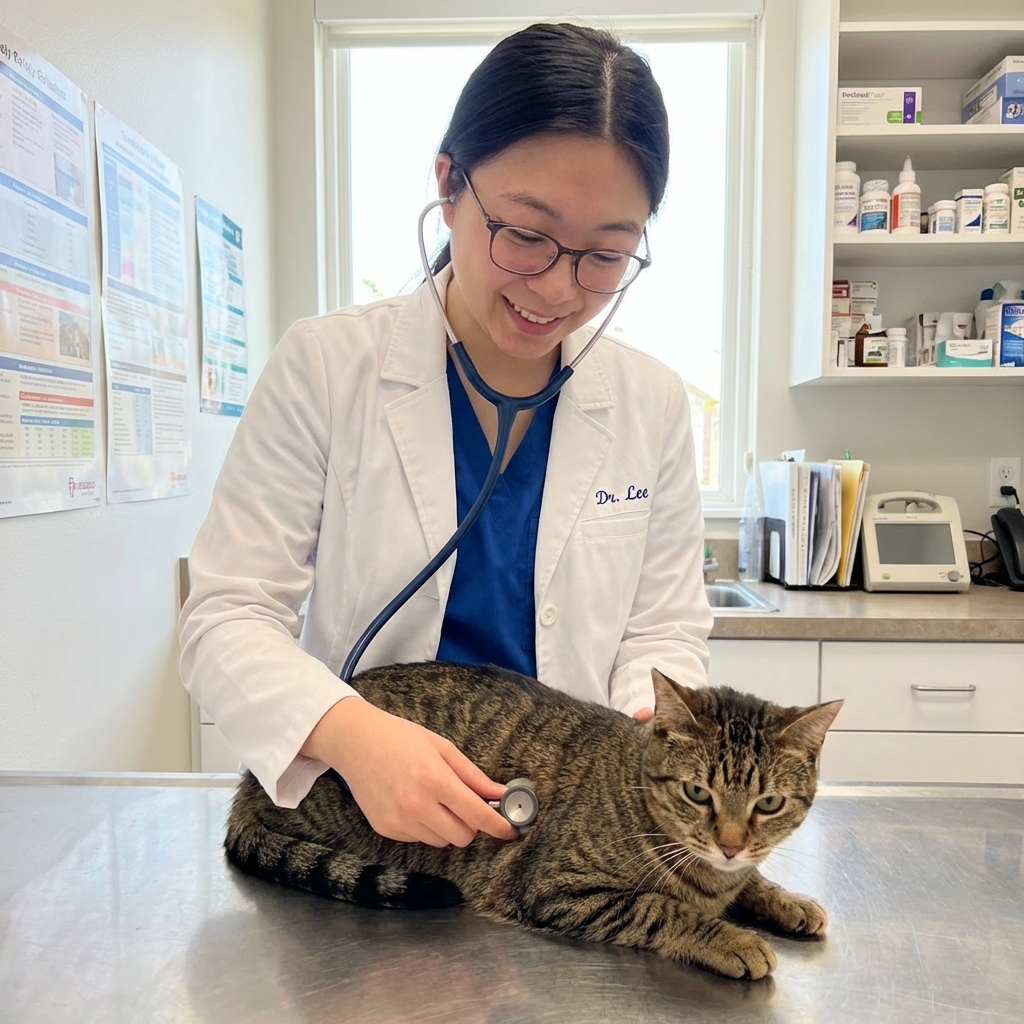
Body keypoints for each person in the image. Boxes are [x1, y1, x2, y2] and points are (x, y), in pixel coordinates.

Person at [179, 23, 712, 852]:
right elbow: (228, 615)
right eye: (527, 235)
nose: (558, 288)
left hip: (568, 837)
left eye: (606, 255)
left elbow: (664, 628)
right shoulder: (328, 366)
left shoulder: (650, 401)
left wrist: (649, 732)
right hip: (366, 812)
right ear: (449, 186)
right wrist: (352, 735)